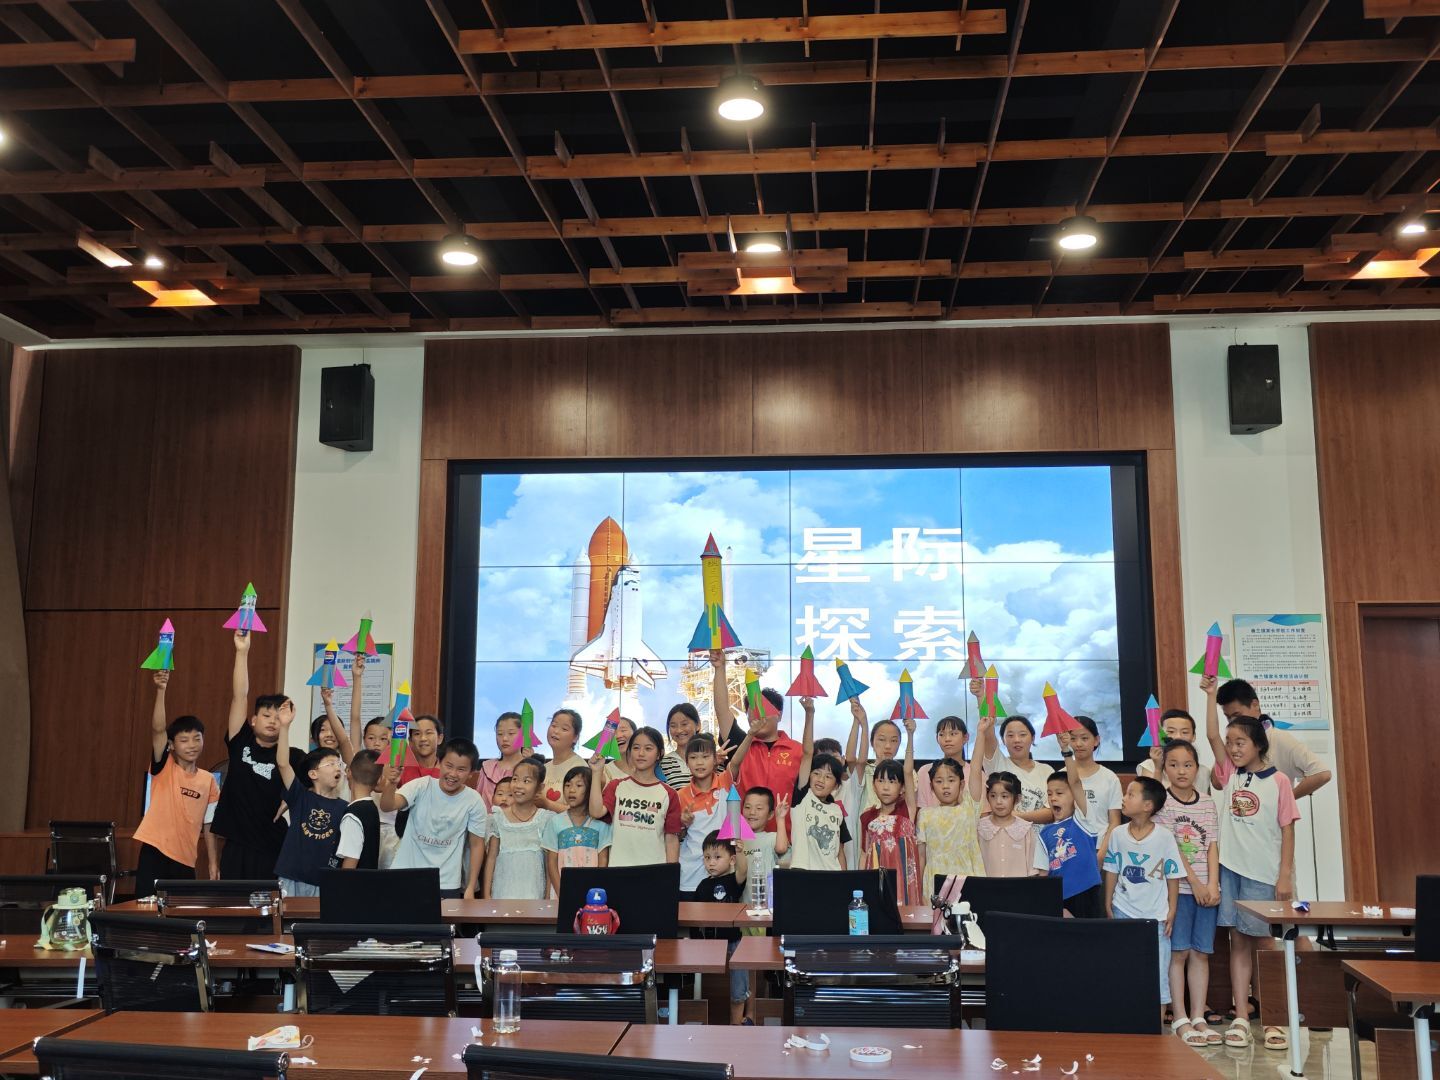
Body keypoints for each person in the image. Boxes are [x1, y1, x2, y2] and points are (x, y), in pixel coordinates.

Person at [1203, 675, 1299, 1050]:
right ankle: (1242, 1016)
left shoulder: (1279, 782)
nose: (1232, 748)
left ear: (1259, 743)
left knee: (1265, 945)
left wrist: (1284, 876)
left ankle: (1274, 1019)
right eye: (1230, 743)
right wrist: (1210, 695)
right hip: (1230, 871)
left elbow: (1288, 831)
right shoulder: (1230, 775)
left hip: (1263, 875)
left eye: (1240, 742)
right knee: (1238, 942)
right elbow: (1212, 735)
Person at [212, 631, 305, 879]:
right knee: (234, 902)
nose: (273, 721)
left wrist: (293, 799)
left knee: (269, 903)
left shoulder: (293, 757)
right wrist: (242, 652)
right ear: (253, 720)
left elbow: (316, 783)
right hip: (237, 844)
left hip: (272, 845)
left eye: (279, 717)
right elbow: (239, 696)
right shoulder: (240, 740)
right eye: (267, 715)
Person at [1153, 739, 1222, 1047]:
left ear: (1197, 768)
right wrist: (1194, 883)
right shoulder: (1162, 804)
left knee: (1201, 953)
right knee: (1178, 953)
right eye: (1173, 765)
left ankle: (1198, 1016)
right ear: (1165, 768)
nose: (1181, 771)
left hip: (1207, 891)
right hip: (1178, 889)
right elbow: (1172, 849)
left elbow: (1212, 846)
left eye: (1188, 765)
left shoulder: (1207, 802)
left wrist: (1213, 884)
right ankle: (1180, 1017)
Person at [1104, 776, 1185, 1021]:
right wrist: (1108, 902)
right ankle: (1125, 1023)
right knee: (1124, 969)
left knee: (1158, 973)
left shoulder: (1164, 837)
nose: (1124, 799)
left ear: (1148, 806)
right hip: (1123, 910)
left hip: (1156, 918)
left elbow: (1173, 875)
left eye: (1131, 794)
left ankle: (1156, 1028)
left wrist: (1172, 910)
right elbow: (1112, 869)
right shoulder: (1118, 834)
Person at [133, 670, 219, 896]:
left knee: (181, 910)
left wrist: (213, 862)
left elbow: (209, 824)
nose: (192, 745)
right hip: (155, 851)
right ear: (171, 745)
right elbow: (158, 729)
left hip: (186, 859)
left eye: (197, 738)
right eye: (184, 740)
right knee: (147, 908)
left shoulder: (209, 780)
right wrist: (161, 690)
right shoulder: (164, 766)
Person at [379, 738, 489, 899]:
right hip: (404, 874)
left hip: (446, 883)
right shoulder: (421, 785)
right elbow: (387, 806)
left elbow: (476, 845)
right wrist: (391, 784)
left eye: (461, 769)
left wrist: (471, 887)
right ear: (439, 762)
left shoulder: (474, 801)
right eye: (448, 766)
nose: (453, 774)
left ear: (471, 772)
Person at [712, 650, 803, 824]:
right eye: (752, 711)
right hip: (745, 836)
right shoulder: (740, 745)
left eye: (764, 710)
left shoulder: (798, 751)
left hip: (786, 836)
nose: (758, 716)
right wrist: (719, 668)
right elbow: (722, 711)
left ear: (779, 715)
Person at [1030, 730, 1110, 918]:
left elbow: (1074, 782)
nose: (1053, 798)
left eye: (1059, 793)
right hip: (1060, 898)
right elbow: (1043, 873)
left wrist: (1066, 750)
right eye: (1049, 794)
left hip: (1086, 893)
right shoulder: (1044, 833)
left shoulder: (1083, 820)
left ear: (1074, 796)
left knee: (1089, 935)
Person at [273, 711, 347, 897]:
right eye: (330, 764)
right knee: (286, 915)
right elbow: (283, 764)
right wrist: (284, 726)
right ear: (313, 774)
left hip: (324, 880)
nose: (337, 768)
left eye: (338, 764)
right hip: (292, 875)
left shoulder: (345, 807)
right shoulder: (300, 797)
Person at [1215, 679, 1331, 799]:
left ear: (1255, 705)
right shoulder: (1233, 742)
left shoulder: (1278, 738)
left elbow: (1322, 773)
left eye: (1237, 715)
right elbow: (1217, 783)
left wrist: (1285, 800)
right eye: (1228, 717)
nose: (1233, 721)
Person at [589, 726, 682, 866]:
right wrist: (596, 772)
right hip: (619, 870)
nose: (641, 753)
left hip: (654, 872)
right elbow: (596, 812)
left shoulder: (669, 794)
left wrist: (670, 875)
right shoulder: (616, 786)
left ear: (660, 754)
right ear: (630, 751)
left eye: (648, 748)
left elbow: (671, 840)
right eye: (636, 748)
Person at [677, 730, 754, 892]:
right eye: (693, 757)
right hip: (690, 877)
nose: (699, 762)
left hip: (724, 874)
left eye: (705, 757)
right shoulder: (681, 795)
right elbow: (678, 836)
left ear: (715, 760)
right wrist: (683, 823)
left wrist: (751, 734)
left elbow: (736, 762)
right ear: (686, 762)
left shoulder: (725, 782)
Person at [860, 716, 923, 905]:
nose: (886, 787)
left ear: (903, 787)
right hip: (876, 881)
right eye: (881, 781)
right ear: (873, 785)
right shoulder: (867, 816)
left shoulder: (907, 810)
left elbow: (908, 771)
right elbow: (864, 853)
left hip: (905, 881)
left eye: (892, 781)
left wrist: (910, 735)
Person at [689, 831, 749, 1025]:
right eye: (707, 858)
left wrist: (741, 852)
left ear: (731, 860)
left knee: (740, 973)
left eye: (717, 857)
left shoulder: (733, 881)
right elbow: (694, 919)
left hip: (733, 940)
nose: (711, 863)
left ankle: (736, 1023)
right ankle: (704, 1020)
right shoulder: (702, 886)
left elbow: (743, 871)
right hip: (710, 945)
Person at [484, 757, 552, 900]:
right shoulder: (497, 818)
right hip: (502, 894)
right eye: (515, 779)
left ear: (539, 788)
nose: (518, 785)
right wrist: (487, 895)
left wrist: (547, 898)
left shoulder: (545, 819)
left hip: (534, 896)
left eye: (526, 781)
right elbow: (491, 858)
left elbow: (549, 863)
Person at [786, 722, 849, 872]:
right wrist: (810, 713)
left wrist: (844, 879)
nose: (821, 779)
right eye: (816, 773)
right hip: (803, 872)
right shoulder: (803, 797)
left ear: (836, 785)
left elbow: (840, 850)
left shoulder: (837, 810)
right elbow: (807, 753)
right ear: (809, 776)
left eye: (828, 776)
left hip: (832, 875)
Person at [541, 765, 612, 898]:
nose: (571, 790)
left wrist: (594, 890)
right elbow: (551, 863)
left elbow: (603, 860)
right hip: (561, 893)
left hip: (592, 894)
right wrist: (562, 893)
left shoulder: (601, 824)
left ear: (591, 790)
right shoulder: (555, 822)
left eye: (579, 785)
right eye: (567, 785)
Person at [916, 749, 985, 879]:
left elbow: (976, 767)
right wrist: (918, 889)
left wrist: (981, 736)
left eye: (951, 780)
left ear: (962, 784)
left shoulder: (969, 809)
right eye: (939, 781)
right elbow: (921, 856)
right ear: (931, 786)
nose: (945, 786)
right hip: (934, 882)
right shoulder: (925, 814)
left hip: (968, 881)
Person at [977, 712, 1054, 825]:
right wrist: (982, 701)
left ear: (1032, 738)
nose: (1016, 740)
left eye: (1022, 734)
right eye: (1010, 735)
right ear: (1003, 740)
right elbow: (988, 732)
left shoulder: (1047, 771)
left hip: (1040, 836)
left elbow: (1052, 812)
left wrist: (1014, 816)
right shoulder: (997, 763)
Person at [736, 787, 789, 908]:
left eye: (759, 808)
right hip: (743, 905)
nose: (752, 812)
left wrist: (780, 818)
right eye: (747, 807)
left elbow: (781, 848)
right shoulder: (738, 840)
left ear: (770, 814)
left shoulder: (772, 837)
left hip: (768, 906)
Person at [1138, 709, 1213, 793]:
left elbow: (1206, 800)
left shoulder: (1204, 772)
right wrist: (1158, 769)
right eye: (1171, 731)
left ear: (1194, 736)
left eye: (1184, 732)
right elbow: (1151, 797)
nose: (1178, 737)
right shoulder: (1149, 766)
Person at [1068, 715, 1123, 829]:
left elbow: (1114, 822)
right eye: (1073, 739)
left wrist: (1104, 842)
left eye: (1084, 738)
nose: (1078, 744)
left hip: (1101, 839)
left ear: (1096, 740)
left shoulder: (1110, 778)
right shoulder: (1061, 776)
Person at [977, 771, 1035, 877]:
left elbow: (1032, 869)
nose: (998, 801)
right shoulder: (979, 828)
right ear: (987, 797)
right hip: (985, 886)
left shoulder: (1026, 829)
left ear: (1017, 799)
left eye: (1004, 796)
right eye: (993, 796)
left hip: (1018, 887)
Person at [336, 750, 382, 870]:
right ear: (378, 780)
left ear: (349, 772)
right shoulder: (371, 808)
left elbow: (350, 864)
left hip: (353, 881)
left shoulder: (353, 815)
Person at [917, 715, 970, 808]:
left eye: (953, 734)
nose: (947, 739)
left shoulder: (975, 773)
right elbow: (920, 810)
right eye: (942, 734)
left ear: (965, 737)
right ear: (937, 738)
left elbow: (983, 814)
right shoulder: (924, 771)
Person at [541, 708, 587, 812]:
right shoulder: (543, 768)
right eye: (554, 725)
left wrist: (547, 804)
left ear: (575, 737)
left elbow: (580, 812)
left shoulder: (580, 767)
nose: (556, 731)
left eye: (564, 729)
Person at [856, 717, 902, 815]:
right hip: (866, 824)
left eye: (894, 740)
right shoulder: (864, 771)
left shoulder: (906, 774)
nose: (888, 746)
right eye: (882, 739)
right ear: (872, 742)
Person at [479, 711, 525, 809]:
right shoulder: (487, 768)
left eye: (511, 733)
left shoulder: (530, 768)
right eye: (499, 734)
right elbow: (477, 802)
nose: (504, 738)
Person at [397, 713, 445, 787]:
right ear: (410, 740)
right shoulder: (401, 769)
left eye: (428, 733)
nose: (423, 738)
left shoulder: (448, 771)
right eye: (417, 733)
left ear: (439, 738)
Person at [659, 703, 701, 787]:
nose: (679, 730)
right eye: (673, 726)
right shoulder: (663, 764)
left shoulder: (714, 759)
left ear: (698, 725)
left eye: (684, 724)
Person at [601, 715, 637, 785]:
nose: (618, 736)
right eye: (612, 733)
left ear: (636, 734)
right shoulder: (604, 771)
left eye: (623, 730)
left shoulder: (650, 767)